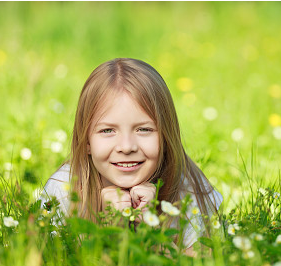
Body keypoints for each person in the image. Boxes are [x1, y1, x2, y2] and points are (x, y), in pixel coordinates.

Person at [40, 58, 223, 255]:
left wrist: (151, 237)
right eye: (108, 130)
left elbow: (206, 258)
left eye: (144, 129)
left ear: (165, 136)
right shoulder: (63, 192)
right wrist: (110, 230)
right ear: (86, 142)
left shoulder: (189, 191)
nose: (126, 147)